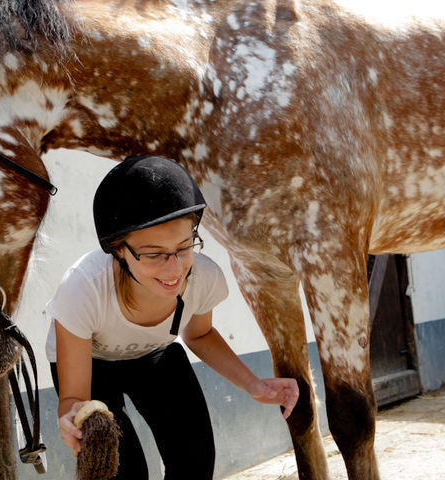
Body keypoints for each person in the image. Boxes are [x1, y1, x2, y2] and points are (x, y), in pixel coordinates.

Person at [45, 155, 299, 479]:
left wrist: (254, 384)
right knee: (124, 471)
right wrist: (71, 417)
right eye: (153, 254)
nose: (174, 270)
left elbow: (200, 335)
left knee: (195, 461)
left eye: (184, 247)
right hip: (93, 366)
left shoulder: (203, 277)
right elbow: (74, 398)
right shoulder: (82, 288)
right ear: (119, 250)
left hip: (155, 356)